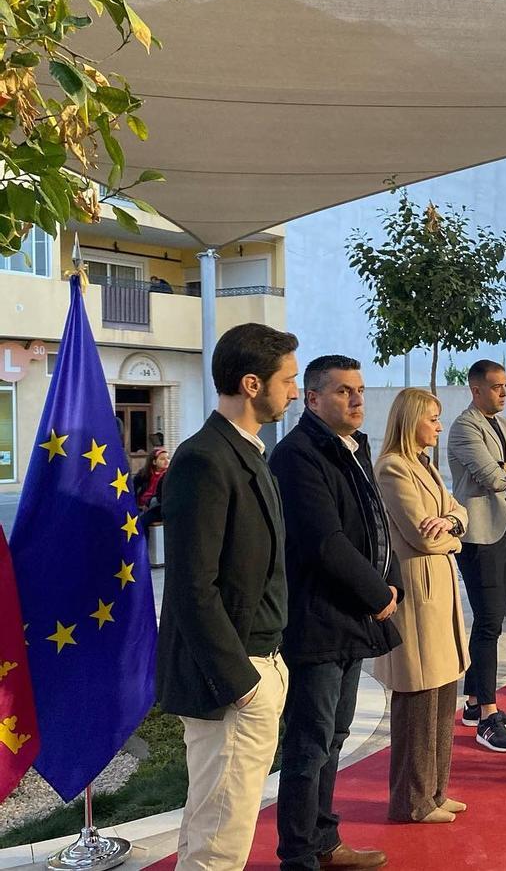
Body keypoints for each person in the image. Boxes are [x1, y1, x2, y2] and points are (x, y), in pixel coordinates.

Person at [157, 322, 299, 870]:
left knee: (210, 827)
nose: (292, 390)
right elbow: (194, 588)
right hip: (234, 680)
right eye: (286, 380)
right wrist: (243, 684)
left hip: (260, 663)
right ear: (252, 384)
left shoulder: (246, 451)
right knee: (220, 843)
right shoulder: (205, 459)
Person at [270, 356, 401, 868]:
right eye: (344, 391)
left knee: (335, 737)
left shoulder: (349, 447)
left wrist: (385, 582)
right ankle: (298, 856)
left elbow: (370, 525)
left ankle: (325, 844)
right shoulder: (298, 455)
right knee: (309, 743)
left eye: (360, 390)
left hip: (349, 617)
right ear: (312, 398)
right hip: (316, 618)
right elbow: (325, 541)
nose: (356, 400)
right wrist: (379, 592)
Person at [372, 389, 470, 824]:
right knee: (417, 700)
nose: (438, 424)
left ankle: (434, 791)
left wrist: (450, 523)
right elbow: (422, 536)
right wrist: (452, 537)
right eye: (432, 417)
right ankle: (411, 801)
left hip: (439, 594)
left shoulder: (425, 466)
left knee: (443, 693)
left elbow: (458, 514)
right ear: (410, 419)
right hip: (416, 596)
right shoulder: (393, 468)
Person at [447, 359, 506, 753]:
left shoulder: (505, 426)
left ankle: (473, 701)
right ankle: (487, 713)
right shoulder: (463, 427)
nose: (504, 392)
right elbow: (493, 478)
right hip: (481, 535)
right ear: (476, 389)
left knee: (494, 619)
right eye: (497, 386)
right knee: (488, 622)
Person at [133, 446, 169, 514]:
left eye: (168, 458)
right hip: (141, 504)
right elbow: (134, 486)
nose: (167, 461)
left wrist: (148, 502)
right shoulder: (144, 473)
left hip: (157, 503)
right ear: (154, 462)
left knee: (154, 501)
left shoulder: (168, 475)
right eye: (162, 459)